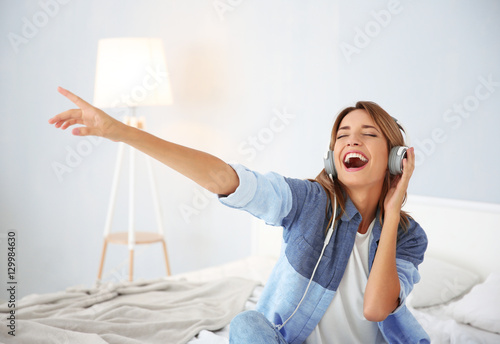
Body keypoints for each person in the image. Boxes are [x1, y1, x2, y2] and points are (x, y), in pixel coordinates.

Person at [49, 87, 430, 344]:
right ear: (333, 156)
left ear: (397, 158)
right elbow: (227, 179)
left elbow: (376, 308)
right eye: (343, 134)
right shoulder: (309, 203)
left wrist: (392, 212)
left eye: (368, 134)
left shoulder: (410, 237)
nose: (352, 141)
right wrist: (122, 132)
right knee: (247, 324)